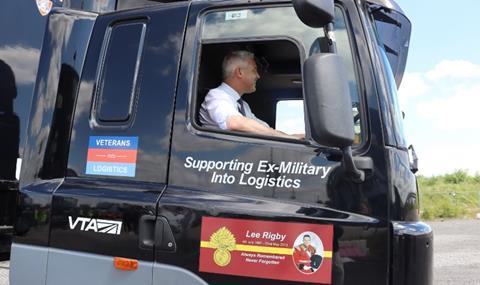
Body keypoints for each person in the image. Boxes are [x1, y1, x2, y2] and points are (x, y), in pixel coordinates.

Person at [199, 50, 303, 140]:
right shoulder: (216, 96)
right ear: (239, 72)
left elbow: (265, 129)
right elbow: (234, 122)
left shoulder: (243, 105)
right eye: (254, 70)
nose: (258, 76)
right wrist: (285, 138)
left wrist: (291, 137)